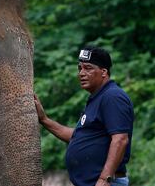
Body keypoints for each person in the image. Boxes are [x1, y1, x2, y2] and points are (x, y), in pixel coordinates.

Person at [34, 46, 134, 186]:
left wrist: (105, 178)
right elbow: (78, 136)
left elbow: (120, 139)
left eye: (88, 68)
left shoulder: (112, 96)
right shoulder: (97, 98)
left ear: (104, 72)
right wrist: (44, 120)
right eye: (80, 68)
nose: (81, 73)